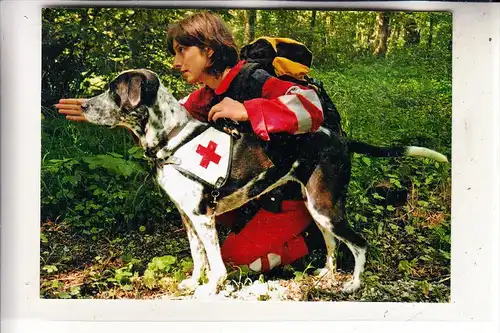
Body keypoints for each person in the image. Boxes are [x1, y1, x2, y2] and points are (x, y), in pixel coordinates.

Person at [56, 11, 325, 274]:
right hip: (247, 193)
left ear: (208, 50)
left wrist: (248, 110)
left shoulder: (255, 79)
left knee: (235, 262)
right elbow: (156, 127)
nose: (175, 62)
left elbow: (312, 107)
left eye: (182, 50)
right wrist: (101, 111)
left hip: (291, 192)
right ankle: (254, 230)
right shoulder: (201, 99)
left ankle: (310, 238)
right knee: (199, 207)